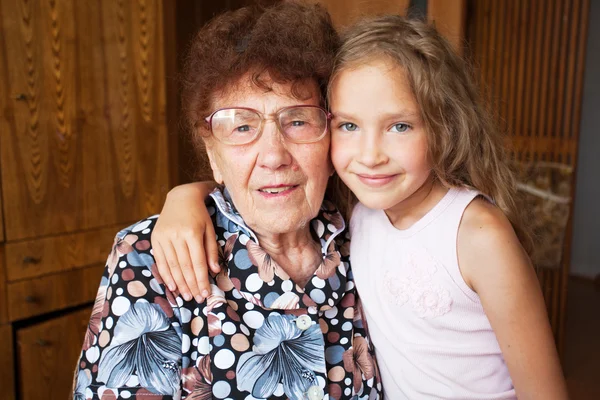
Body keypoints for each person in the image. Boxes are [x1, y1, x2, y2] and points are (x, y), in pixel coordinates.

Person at [151, 14, 569, 400]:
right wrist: (186, 197)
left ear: (445, 126)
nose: (370, 156)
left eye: (399, 126)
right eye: (349, 126)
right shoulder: (358, 210)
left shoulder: (478, 235)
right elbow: (263, 183)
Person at [72, 2, 382, 399]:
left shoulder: (368, 244)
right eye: (241, 126)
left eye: (299, 120)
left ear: (333, 138)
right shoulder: (150, 259)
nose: (273, 155)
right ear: (213, 154)